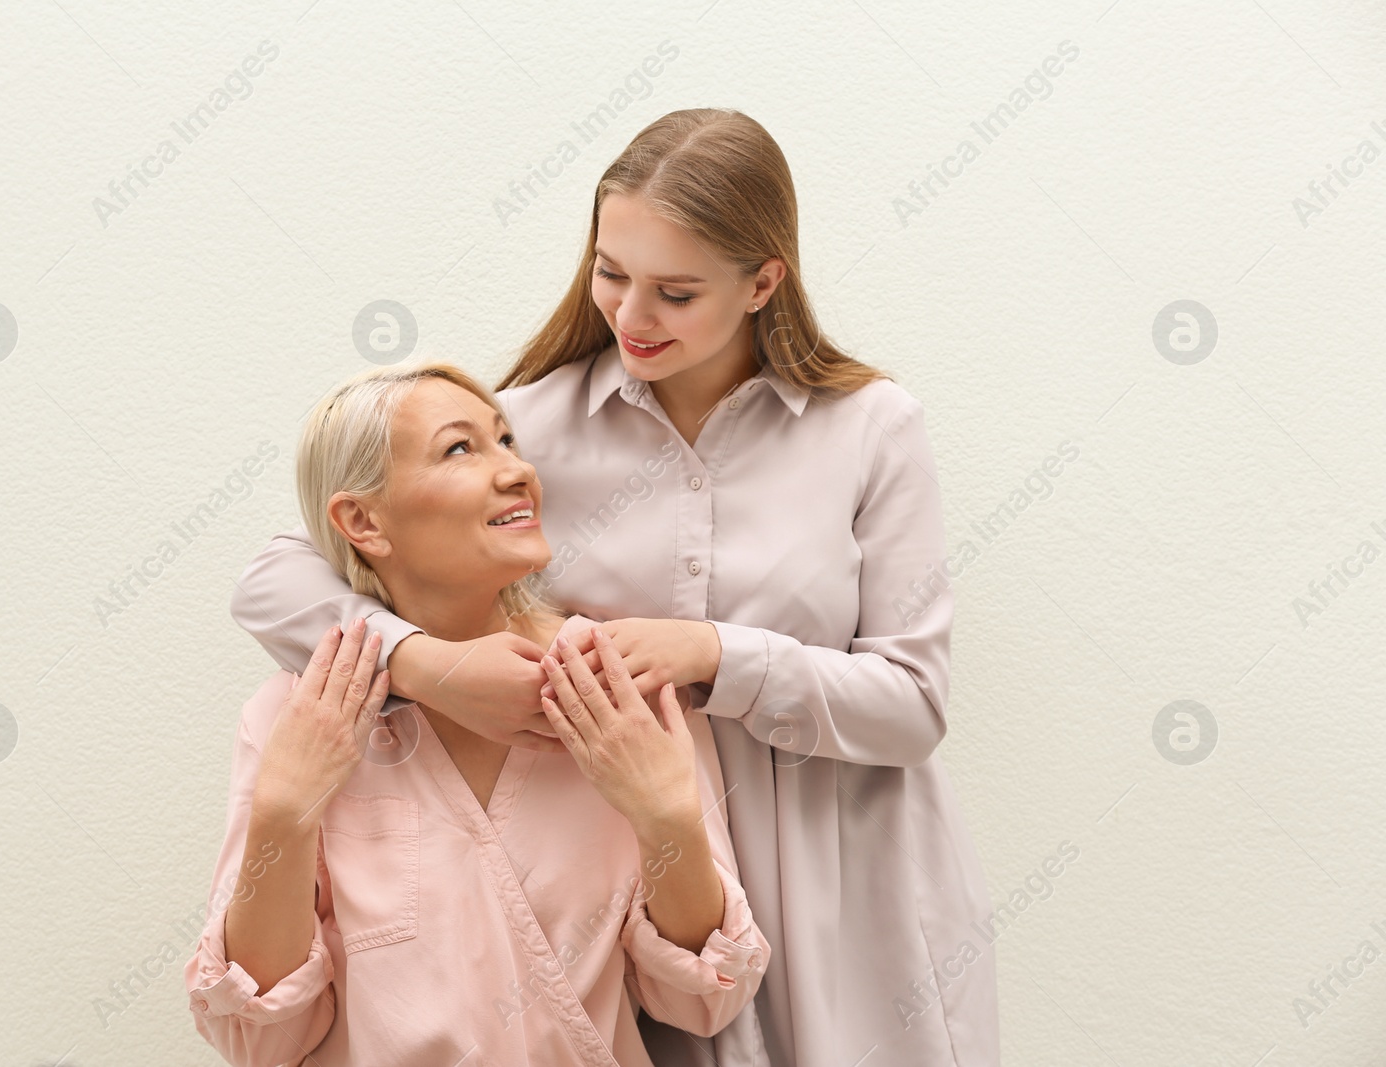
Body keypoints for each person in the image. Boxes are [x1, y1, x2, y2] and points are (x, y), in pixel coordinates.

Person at [232, 108, 998, 1066]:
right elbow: (275, 575)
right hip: (635, 891)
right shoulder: (525, 425)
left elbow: (913, 704)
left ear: (764, 281)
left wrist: (713, 652)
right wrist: (428, 669)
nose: (631, 318)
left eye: (675, 292)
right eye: (611, 273)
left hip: (843, 874)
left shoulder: (871, 429)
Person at [184, 362, 771, 1067]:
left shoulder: (621, 692)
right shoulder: (297, 711)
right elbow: (259, 1034)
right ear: (363, 520)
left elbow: (703, 999)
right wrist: (283, 812)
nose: (517, 471)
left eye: (507, 441)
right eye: (461, 448)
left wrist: (667, 816)